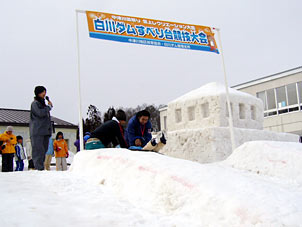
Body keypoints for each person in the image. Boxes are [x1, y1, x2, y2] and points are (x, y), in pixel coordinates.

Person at [29, 86, 53, 170]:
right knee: (38, 150)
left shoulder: (43, 104)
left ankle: (40, 167)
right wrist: (48, 108)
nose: (44, 94)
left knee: (43, 150)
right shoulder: (35, 103)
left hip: (45, 131)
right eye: (43, 92)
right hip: (37, 131)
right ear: (38, 93)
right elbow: (40, 113)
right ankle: (38, 168)